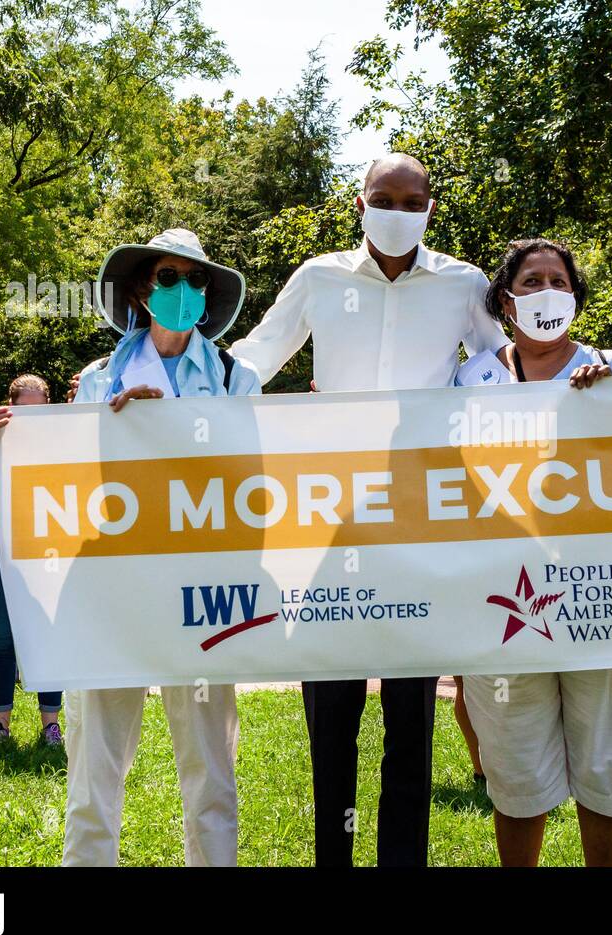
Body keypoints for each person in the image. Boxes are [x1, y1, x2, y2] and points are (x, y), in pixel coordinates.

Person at [228, 153, 508, 867]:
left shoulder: (464, 283)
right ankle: (334, 857)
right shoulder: (319, 278)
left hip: (420, 517)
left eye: (413, 200)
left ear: (430, 209)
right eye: (384, 197)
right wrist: (172, 393)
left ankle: (402, 863)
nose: (399, 210)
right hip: (326, 519)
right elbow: (253, 360)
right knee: (332, 706)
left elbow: (510, 367)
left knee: (410, 713)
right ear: (360, 204)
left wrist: (584, 378)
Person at [0, 228, 260, 865]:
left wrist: (177, 435)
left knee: (212, 771)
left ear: (208, 293)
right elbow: (57, 487)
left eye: (195, 279)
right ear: (139, 287)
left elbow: (257, 486)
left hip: (202, 594)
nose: (181, 290)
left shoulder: (240, 377)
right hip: (107, 591)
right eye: (166, 277)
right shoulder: (98, 380)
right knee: (92, 769)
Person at [456, 237, 612, 866]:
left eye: (559, 281)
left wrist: (611, 408)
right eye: (531, 281)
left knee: (608, 763)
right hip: (504, 598)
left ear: (575, 297)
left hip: (604, 596)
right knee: (516, 769)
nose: (547, 291)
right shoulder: (470, 379)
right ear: (504, 299)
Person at [0, 374, 63, 748]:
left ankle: (51, 726)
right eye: (23, 410)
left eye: (39, 409)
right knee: (2, 640)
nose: (32, 417)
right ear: (9, 407)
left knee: (47, 637)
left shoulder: (62, 443)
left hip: (46, 553)